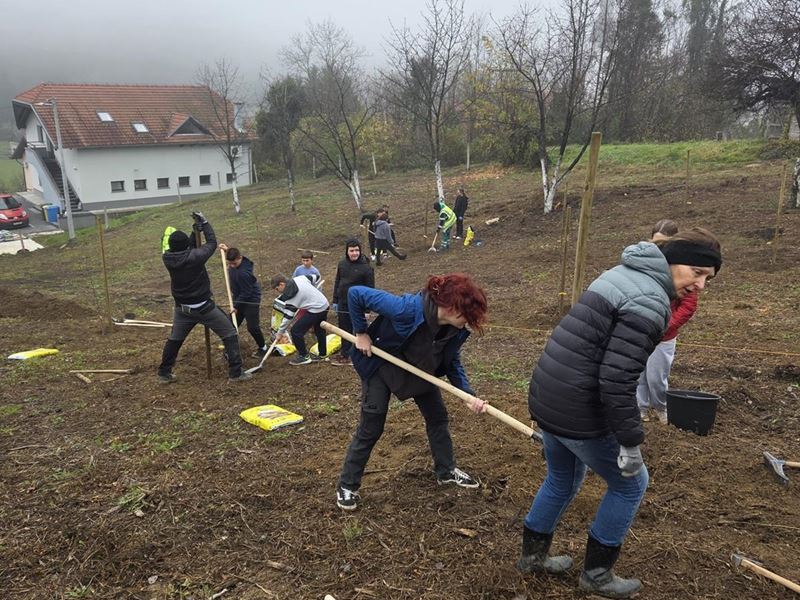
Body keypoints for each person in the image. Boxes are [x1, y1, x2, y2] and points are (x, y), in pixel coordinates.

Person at [518, 228, 722, 599]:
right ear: (673, 260)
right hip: (578, 406)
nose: (700, 285)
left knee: (562, 479)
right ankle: (596, 575)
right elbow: (616, 378)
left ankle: (532, 558)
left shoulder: (622, 272)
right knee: (631, 484)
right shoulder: (649, 301)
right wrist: (630, 441)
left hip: (550, 392)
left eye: (707, 278)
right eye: (696, 272)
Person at [335, 273, 489, 511]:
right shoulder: (406, 309)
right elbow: (355, 293)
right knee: (371, 427)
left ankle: (446, 471)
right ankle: (347, 485)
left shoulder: (455, 329)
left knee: (438, 418)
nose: (470, 323)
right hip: (381, 364)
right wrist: (361, 332)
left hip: (420, 369)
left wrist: (466, 393)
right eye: (469, 316)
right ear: (454, 309)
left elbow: (451, 361)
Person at [157, 212, 252, 383]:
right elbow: (211, 243)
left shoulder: (168, 258)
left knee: (174, 340)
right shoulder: (195, 257)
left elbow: (188, 247)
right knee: (230, 333)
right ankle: (236, 373)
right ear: (186, 246)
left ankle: (164, 373)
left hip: (182, 310)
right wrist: (206, 224)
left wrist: (195, 230)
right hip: (204, 308)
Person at [637, 220, 696, 423]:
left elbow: (688, 306)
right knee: (639, 374)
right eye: (656, 243)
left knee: (656, 377)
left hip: (663, 336)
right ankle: (640, 408)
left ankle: (662, 407)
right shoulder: (645, 266)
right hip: (641, 332)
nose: (660, 249)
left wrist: (665, 325)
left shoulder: (682, 270)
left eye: (665, 244)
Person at [219, 243, 268, 357]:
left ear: (239, 258)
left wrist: (236, 306)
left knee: (252, 327)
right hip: (239, 297)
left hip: (250, 300)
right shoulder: (240, 261)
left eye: (234, 263)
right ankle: (230, 349)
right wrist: (227, 250)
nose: (231, 266)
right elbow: (236, 256)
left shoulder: (244, 273)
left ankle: (263, 348)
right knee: (230, 324)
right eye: (229, 263)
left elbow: (247, 293)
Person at [331, 239, 375, 366]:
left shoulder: (366, 268)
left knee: (358, 329)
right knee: (344, 329)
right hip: (342, 302)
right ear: (347, 251)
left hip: (358, 305)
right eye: (352, 250)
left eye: (356, 250)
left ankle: (358, 354)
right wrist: (335, 300)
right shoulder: (342, 264)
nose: (354, 253)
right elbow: (337, 282)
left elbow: (370, 289)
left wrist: (367, 310)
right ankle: (345, 354)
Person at [271, 274, 330, 366]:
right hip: (324, 304)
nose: (276, 292)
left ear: (282, 284)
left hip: (316, 309)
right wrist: (311, 289)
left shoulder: (290, 297)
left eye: (277, 289)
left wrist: (280, 333)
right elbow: (316, 277)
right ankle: (323, 354)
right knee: (319, 329)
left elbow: (287, 318)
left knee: (296, 331)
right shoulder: (300, 278)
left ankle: (304, 356)